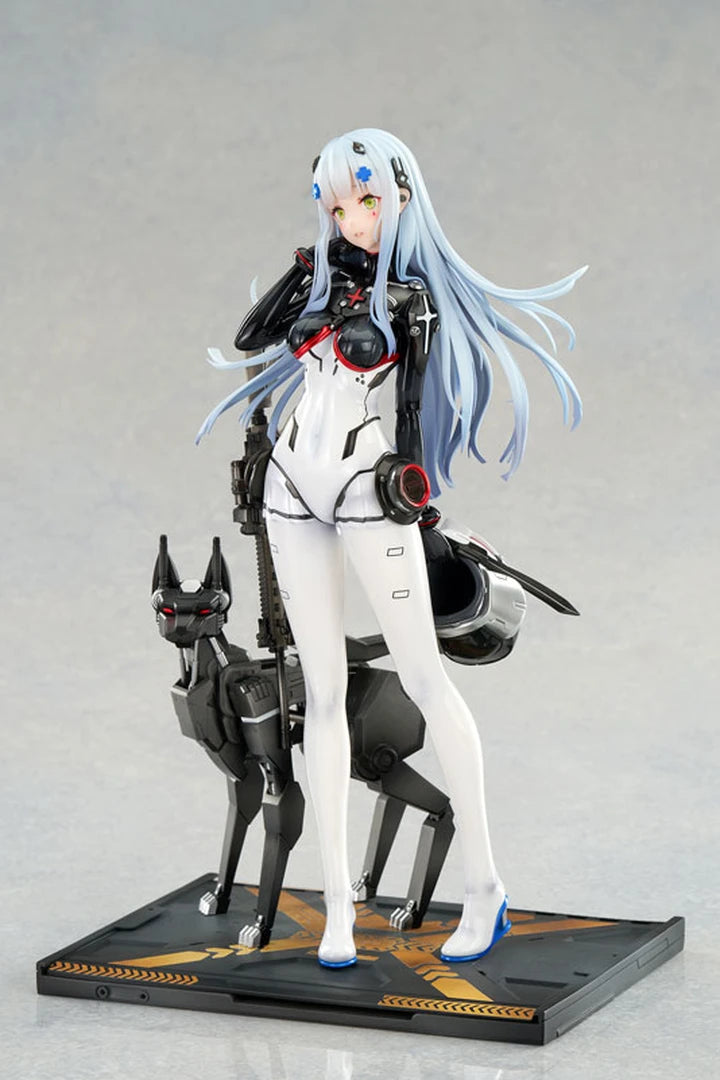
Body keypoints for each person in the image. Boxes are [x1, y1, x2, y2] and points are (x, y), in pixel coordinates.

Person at [198, 128, 584, 968]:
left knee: (423, 679)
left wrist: (418, 498)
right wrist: (307, 269)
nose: (352, 217)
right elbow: (251, 337)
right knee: (320, 694)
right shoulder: (321, 275)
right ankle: (339, 905)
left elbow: (413, 410)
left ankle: (484, 885)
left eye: (366, 200)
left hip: (366, 486)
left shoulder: (412, 299)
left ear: (401, 197)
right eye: (336, 203)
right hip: (290, 486)